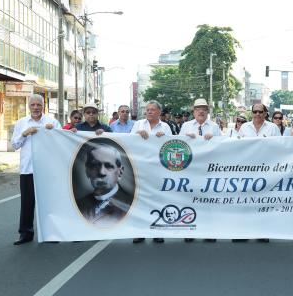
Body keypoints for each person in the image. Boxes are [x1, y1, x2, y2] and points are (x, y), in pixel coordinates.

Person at [12, 94, 61, 245]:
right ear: (29, 106)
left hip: (47, 169)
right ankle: (25, 234)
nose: (35, 108)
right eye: (32, 105)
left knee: (48, 202)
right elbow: (14, 145)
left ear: (43, 106)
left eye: (38, 105)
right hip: (28, 169)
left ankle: (50, 234)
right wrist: (24, 134)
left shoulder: (52, 122)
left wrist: (53, 132)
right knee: (27, 202)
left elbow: (61, 143)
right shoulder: (21, 123)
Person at [179, 98, 221, 242]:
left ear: (208, 111)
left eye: (203, 108)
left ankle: (208, 231)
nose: (201, 111)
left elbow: (222, 147)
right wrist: (187, 139)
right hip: (190, 169)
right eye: (198, 109)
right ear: (193, 111)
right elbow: (178, 146)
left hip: (208, 169)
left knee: (208, 201)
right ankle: (190, 230)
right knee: (189, 199)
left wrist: (214, 139)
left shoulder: (214, 127)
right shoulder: (186, 126)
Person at [130, 101, 172, 244]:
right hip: (141, 167)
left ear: (159, 112)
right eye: (147, 109)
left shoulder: (165, 126)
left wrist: (164, 137)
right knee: (140, 200)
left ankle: (158, 231)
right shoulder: (139, 124)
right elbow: (129, 141)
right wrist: (137, 134)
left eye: (153, 110)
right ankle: (139, 231)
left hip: (159, 168)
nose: (149, 112)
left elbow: (171, 145)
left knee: (158, 199)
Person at [238, 103, 279, 243]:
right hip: (247, 171)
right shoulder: (244, 127)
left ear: (265, 113)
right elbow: (236, 147)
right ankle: (242, 233)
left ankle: (262, 232)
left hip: (267, 171)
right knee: (245, 202)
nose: (257, 114)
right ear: (251, 113)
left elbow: (282, 148)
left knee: (263, 203)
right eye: (254, 111)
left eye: (260, 112)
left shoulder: (273, 128)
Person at [76, 143, 133, 226]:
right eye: (95, 165)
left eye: (108, 166)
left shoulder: (131, 204)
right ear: (87, 171)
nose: (101, 172)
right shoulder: (79, 205)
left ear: (120, 172)